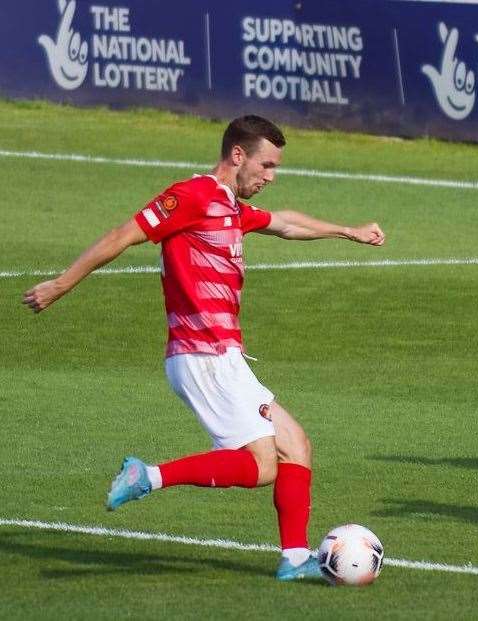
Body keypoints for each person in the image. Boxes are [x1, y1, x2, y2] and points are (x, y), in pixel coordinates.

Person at [21, 115, 385, 581]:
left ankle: (294, 559)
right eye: (267, 165)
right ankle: (147, 476)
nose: (271, 176)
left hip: (224, 355)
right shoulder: (191, 196)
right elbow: (122, 235)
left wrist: (348, 231)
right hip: (203, 357)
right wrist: (61, 284)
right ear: (238, 155)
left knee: (297, 446)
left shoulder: (231, 206)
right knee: (262, 466)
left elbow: (286, 224)